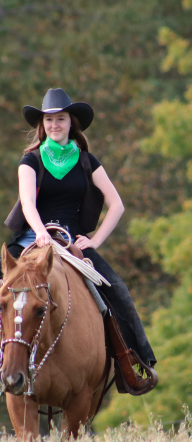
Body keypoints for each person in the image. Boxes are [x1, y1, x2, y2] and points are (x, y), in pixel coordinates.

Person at [1, 88, 156, 393]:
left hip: (71, 242)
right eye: (49, 120)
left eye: (60, 119)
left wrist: (95, 240)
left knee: (118, 292)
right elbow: (28, 203)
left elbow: (117, 204)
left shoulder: (86, 161)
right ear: (42, 125)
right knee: (4, 295)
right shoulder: (30, 160)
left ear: (71, 122)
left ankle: (134, 364)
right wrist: (41, 231)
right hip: (34, 236)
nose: (55, 125)